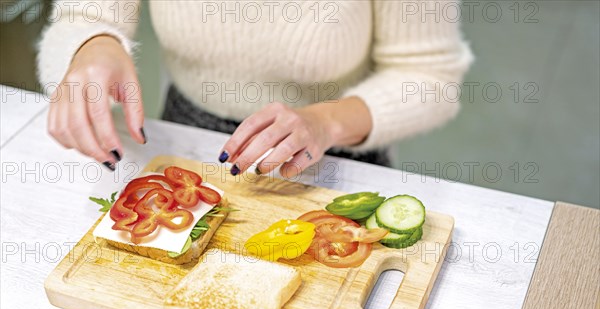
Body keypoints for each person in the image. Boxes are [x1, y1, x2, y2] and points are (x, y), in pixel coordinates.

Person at [38, 0, 472, 177]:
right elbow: (83, 15)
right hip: (190, 136)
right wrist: (92, 46)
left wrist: (325, 121)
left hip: (334, 150)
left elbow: (432, 78)